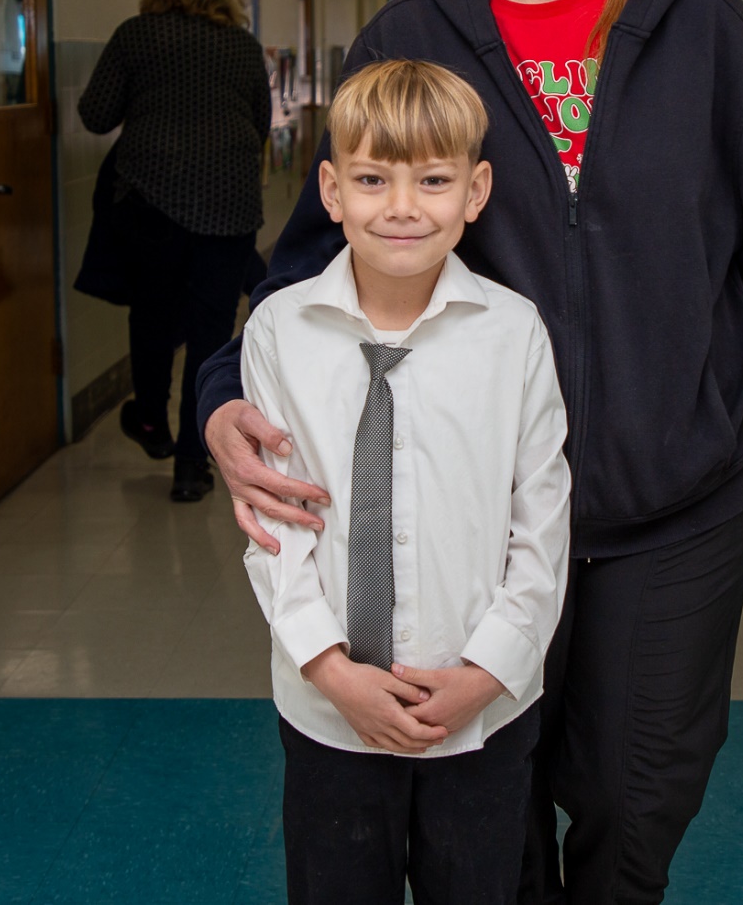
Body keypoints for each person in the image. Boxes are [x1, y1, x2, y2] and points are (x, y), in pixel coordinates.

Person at [200, 0, 743, 903]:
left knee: (632, 804)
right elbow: (311, 259)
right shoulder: (409, 40)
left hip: (670, 510)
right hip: (470, 518)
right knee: (485, 803)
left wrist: (665, 357)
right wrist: (217, 395)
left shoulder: (708, 38)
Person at [240, 59, 570, 905]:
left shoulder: (513, 333)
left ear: (475, 189)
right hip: (328, 711)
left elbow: (540, 527)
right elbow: (274, 529)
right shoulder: (279, 331)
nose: (400, 206)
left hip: (482, 711)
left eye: (431, 179)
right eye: (371, 178)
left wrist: (485, 673)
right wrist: (331, 668)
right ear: (330, 189)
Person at [79, 0, 269, 502]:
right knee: (211, 335)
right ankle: (193, 464)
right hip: (229, 205)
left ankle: (152, 423)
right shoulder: (240, 46)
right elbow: (259, 122)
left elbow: (94, 114)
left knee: (153, 317)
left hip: (151, 203)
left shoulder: (136, 36)